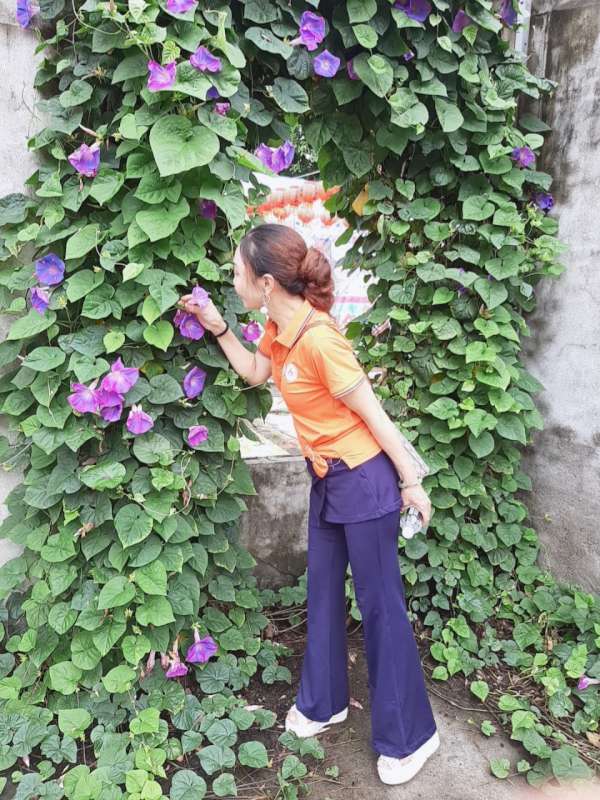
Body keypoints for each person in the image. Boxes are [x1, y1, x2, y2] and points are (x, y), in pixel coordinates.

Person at [178, 223, 439, 785]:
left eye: (237, 272)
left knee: (380, 607)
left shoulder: (320, 339)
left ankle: (412, 736)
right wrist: (217, 325)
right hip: (326, 479)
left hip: (365, 481)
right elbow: (254, 373)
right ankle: (325, 703)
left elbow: (374, 416)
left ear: (266, 282)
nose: (232, 280)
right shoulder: (279, 329)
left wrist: (411, 482)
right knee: (320, 592)